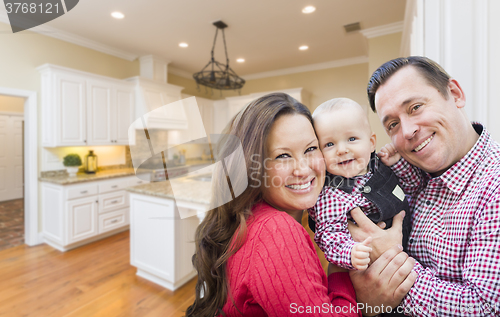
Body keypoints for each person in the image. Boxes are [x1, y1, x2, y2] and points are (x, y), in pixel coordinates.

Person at [185, 93, 416, 317]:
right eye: (283, 156)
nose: (304, 169)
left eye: (310, 149)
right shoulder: (277, 232)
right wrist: (354, 291)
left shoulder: (253, 217)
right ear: (253, 168)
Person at [348, 56, 500, 316]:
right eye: (393, 124)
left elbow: (486, 308)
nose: (407, 131)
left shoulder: (493, 186)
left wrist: (390, 266)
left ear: (455, 94)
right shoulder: (405, 177)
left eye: (415, 107)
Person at [308, 98, 411, 271]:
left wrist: (397, 163)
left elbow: (411, 187)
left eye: (352, 138)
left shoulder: (380, 165)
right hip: (372, 266)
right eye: (329, 144)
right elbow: (329, 236)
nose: (341, 150)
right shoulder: (330, 195)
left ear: (371, 143)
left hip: (412, 249)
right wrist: (350, 252)